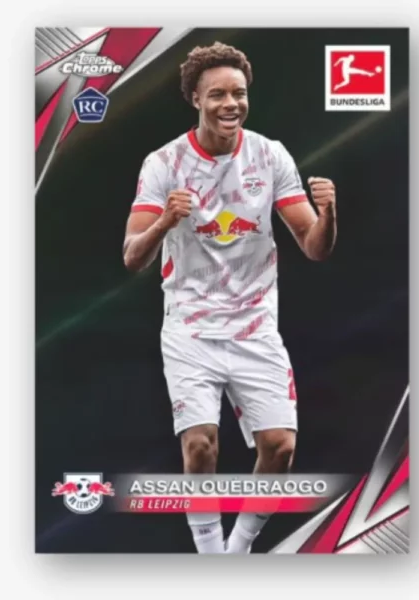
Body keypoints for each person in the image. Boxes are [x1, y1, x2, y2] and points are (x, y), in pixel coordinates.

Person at [123, 41, 337, 554]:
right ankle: (211, 560)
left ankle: (237, 552)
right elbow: (132, 256)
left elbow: (314, 247)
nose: (230, 104)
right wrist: (165, 222)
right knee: (200, 445)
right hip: (190, 327)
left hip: (254, 325)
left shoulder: (270, 155)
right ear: (196, 98)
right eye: (217, 94)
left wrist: (329, 215)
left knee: (280, 448)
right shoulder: (164, 163)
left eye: (238, 93)